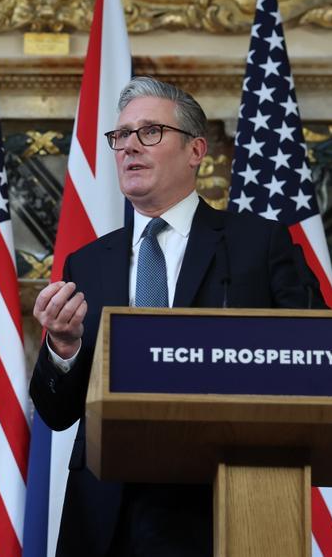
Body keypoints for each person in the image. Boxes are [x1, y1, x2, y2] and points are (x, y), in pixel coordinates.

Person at [29, 76, 314, 556]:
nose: (128, 148)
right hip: (106, 510)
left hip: (220, 499)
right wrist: (62, 347)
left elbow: (313, 354)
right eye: (120, 136)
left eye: (150, 132)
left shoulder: (257, 244)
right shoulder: (88, 262)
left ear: (195, 150)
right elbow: (57, 414)